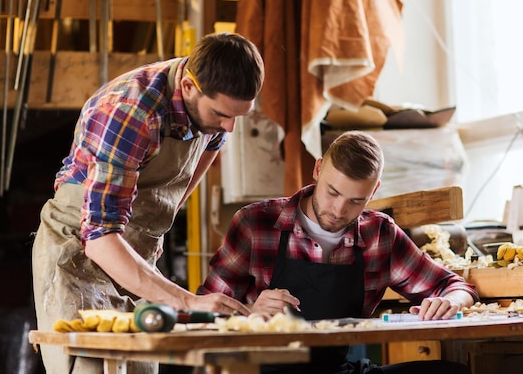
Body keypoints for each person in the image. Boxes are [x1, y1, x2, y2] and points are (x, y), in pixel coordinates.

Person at [32, 32, 263, 374]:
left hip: (136, 251)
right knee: (90, 368)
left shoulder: (215, 109)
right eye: (221, 114)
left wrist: (151, 237)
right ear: (187, 87)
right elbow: (99, 239)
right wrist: (188, 301)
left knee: (141, 368)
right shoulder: (129, 112)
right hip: (79, 252)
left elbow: (190, 173)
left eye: (237, 117)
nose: (229, 126)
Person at [198, 130, 479, 374]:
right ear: (318, 169)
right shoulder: (255, 224)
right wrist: (249, 314)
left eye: (355, 201)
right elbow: (202, 313)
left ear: (374, 191)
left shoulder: (378, 234)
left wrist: (451, 302)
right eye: (332, 193)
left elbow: (454, 285)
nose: (338, 210)